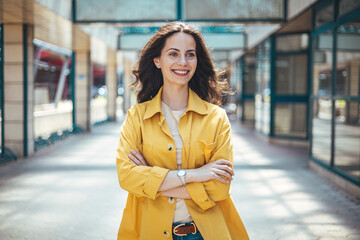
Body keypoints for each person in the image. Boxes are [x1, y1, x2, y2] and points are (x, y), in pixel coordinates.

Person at [116, 21, 249, 240]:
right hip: (150, 232)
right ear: (157, 60)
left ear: (197, 60)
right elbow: (127, 177)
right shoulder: (136, 118)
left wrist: (151, 181)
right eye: (173, 54)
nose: (183, 62)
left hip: (205, 233)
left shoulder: (216, 118)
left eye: (190, 54)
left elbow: (219, 189)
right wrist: (196, 175)